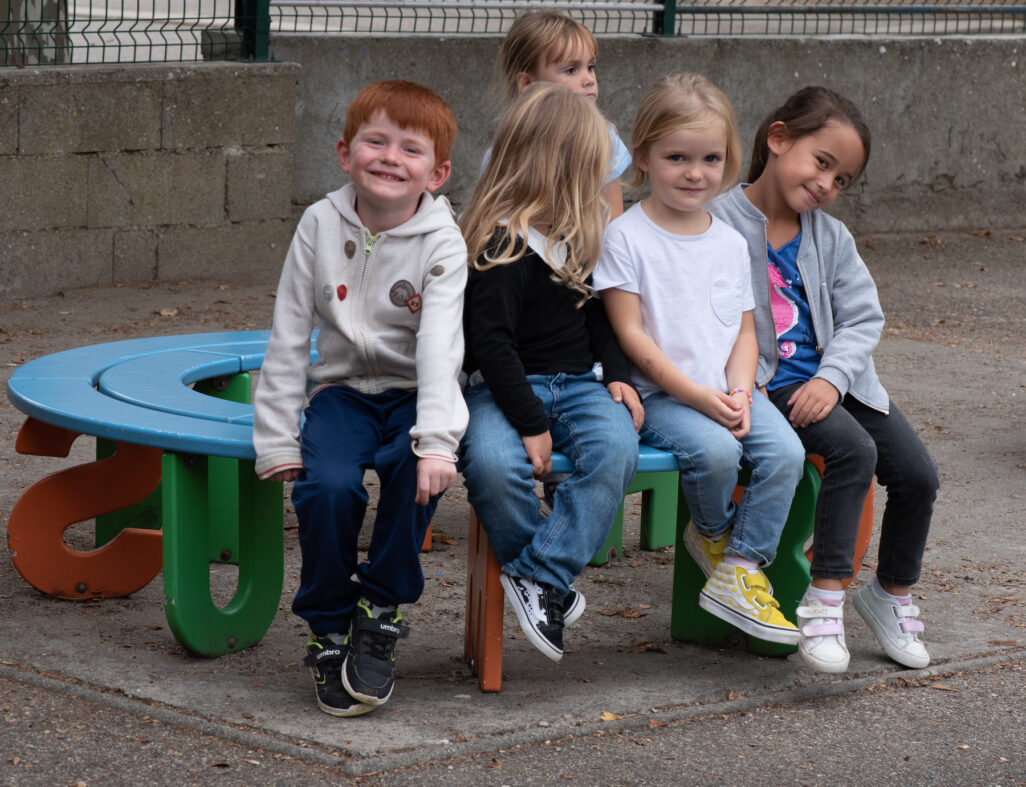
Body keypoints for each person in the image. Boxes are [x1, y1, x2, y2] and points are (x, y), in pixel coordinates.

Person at [251, 80, 468, 716]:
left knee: (414, 473)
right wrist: (276, 436)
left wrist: (437, 441)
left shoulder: (442, 241)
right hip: (342, 393)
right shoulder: (319, 224)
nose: (390, 157)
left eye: (411, 148)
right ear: (346, 153)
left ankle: (379, 609)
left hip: (414, 394)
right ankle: (327, 625)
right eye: (376, 141)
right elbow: (290, 332)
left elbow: (441, 347)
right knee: (327, 487)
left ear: (437, 172)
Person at [709, 86, 939, 673]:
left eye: (842, 180)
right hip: (769, 387)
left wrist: (834, 379)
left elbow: (863, 319)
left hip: (838, 384)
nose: (826, 185)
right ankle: (825, 599)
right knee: (851, 452)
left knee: (918, 474)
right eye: (822, 162)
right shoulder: (714, 220)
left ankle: (889, 594)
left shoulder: (831, 237)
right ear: (778, 138)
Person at [595, 73, 806, 646]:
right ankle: (710, 533)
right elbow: (630, 335)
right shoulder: (625, 237)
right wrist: (698, 396)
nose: (695, 172)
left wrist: (739, 391)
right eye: (677, 157)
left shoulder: (730, 242)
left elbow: (744, 331)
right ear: (643, 157)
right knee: (715, 451)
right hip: (663, 397)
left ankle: (740, 565)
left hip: (728, 389)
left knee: (786, 452)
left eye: (710, 159)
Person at [459, 83, 643, 664]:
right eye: (591, 172)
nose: (599, 186)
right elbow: (490, 345)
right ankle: (547, 580)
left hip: (580, 385)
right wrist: (532, 422)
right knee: (493, 464)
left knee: (617, 449)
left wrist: (617, 374)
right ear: (555, 169)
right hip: (501, 390)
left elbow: (599, 316)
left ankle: (539, 573)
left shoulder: (578, 233)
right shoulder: (501, 241)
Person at [491, 9, 630, 219]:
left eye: (590, 67)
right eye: (571, 70)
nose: (589, 79)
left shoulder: (605, 140)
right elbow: (494, 216)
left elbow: (613, 222)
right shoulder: (512, 143)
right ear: (528, 84)